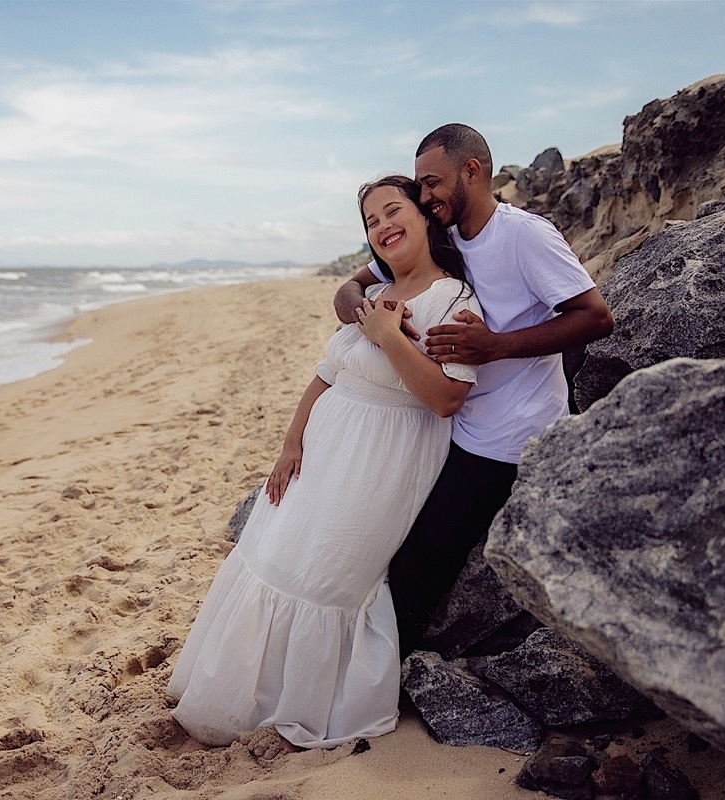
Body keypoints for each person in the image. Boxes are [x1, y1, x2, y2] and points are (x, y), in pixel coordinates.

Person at [166, 176, 483, 750]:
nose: (383, 226)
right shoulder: (371, 296)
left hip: (382, 463)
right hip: (321, 452)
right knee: (272, 556)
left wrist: (389, 335)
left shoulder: (454, 300)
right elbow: (326, 374)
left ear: (425, 218)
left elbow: (444, 399)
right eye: (370, 221)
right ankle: (233, 696)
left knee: (328, 575)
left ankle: (299, 705)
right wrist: (291, 445)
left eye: (394, 211)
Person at [334, 124, 614, 657]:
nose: (424, 197)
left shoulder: (525, 235)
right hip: (448, 422)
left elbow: (596, 317)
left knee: (416, 566)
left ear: (473, 171)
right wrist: (369, 317)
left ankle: (380, 683)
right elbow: (350, 286)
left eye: (432, 182)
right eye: (419, 186)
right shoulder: (445, 235)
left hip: (506, 439)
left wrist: (495, 346)